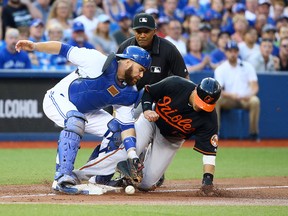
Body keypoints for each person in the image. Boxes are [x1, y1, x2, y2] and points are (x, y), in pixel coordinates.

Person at [15, 39, 152, 194]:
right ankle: (62, 177)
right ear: (128, 62)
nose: (141, 75)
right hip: (59, 99)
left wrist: (132, 153)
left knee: (116, 130)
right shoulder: (97, 61)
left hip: (88, 111)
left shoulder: (129, 93)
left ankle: (100, 178)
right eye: (140, 69)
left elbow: (126, 126)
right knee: (75, 120)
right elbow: (63, 48)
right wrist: (34, 46)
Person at [73, 76, 221, 193]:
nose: (200, 107)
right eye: (200, 101)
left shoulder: (209, 119)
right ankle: (76, 175)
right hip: (150, 122)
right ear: (195, 90)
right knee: (125, 153)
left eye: (206, 105)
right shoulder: (176, 84)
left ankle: (132, 171)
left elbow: (209, 153)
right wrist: (146, 109)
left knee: (146, 184)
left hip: (171, 139)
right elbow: (149, 92)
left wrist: (207, 181)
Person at [117, 13, 189, 91]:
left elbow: (184, 78)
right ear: (134, 31)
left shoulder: (168, 49)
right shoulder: (125, 47)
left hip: (160, 98)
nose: (142, 35)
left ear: (154, 31)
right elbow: (115, 75)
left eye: (146, 31)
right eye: (139, 32)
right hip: (129, 95)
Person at [214, 41, 260, 141]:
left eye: (235, 51)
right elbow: (218, 90)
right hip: (229, 99)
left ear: (238, 52)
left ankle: (253, 133)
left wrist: (249, 95)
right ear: (226, 53)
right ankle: (215, 132)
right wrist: (231, 95)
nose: (232, 54)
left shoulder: (247, 66)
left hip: (246, 99)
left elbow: (255, 87)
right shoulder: (221, 69)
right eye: (230, 51)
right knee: (216, 100)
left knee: (255, 100)